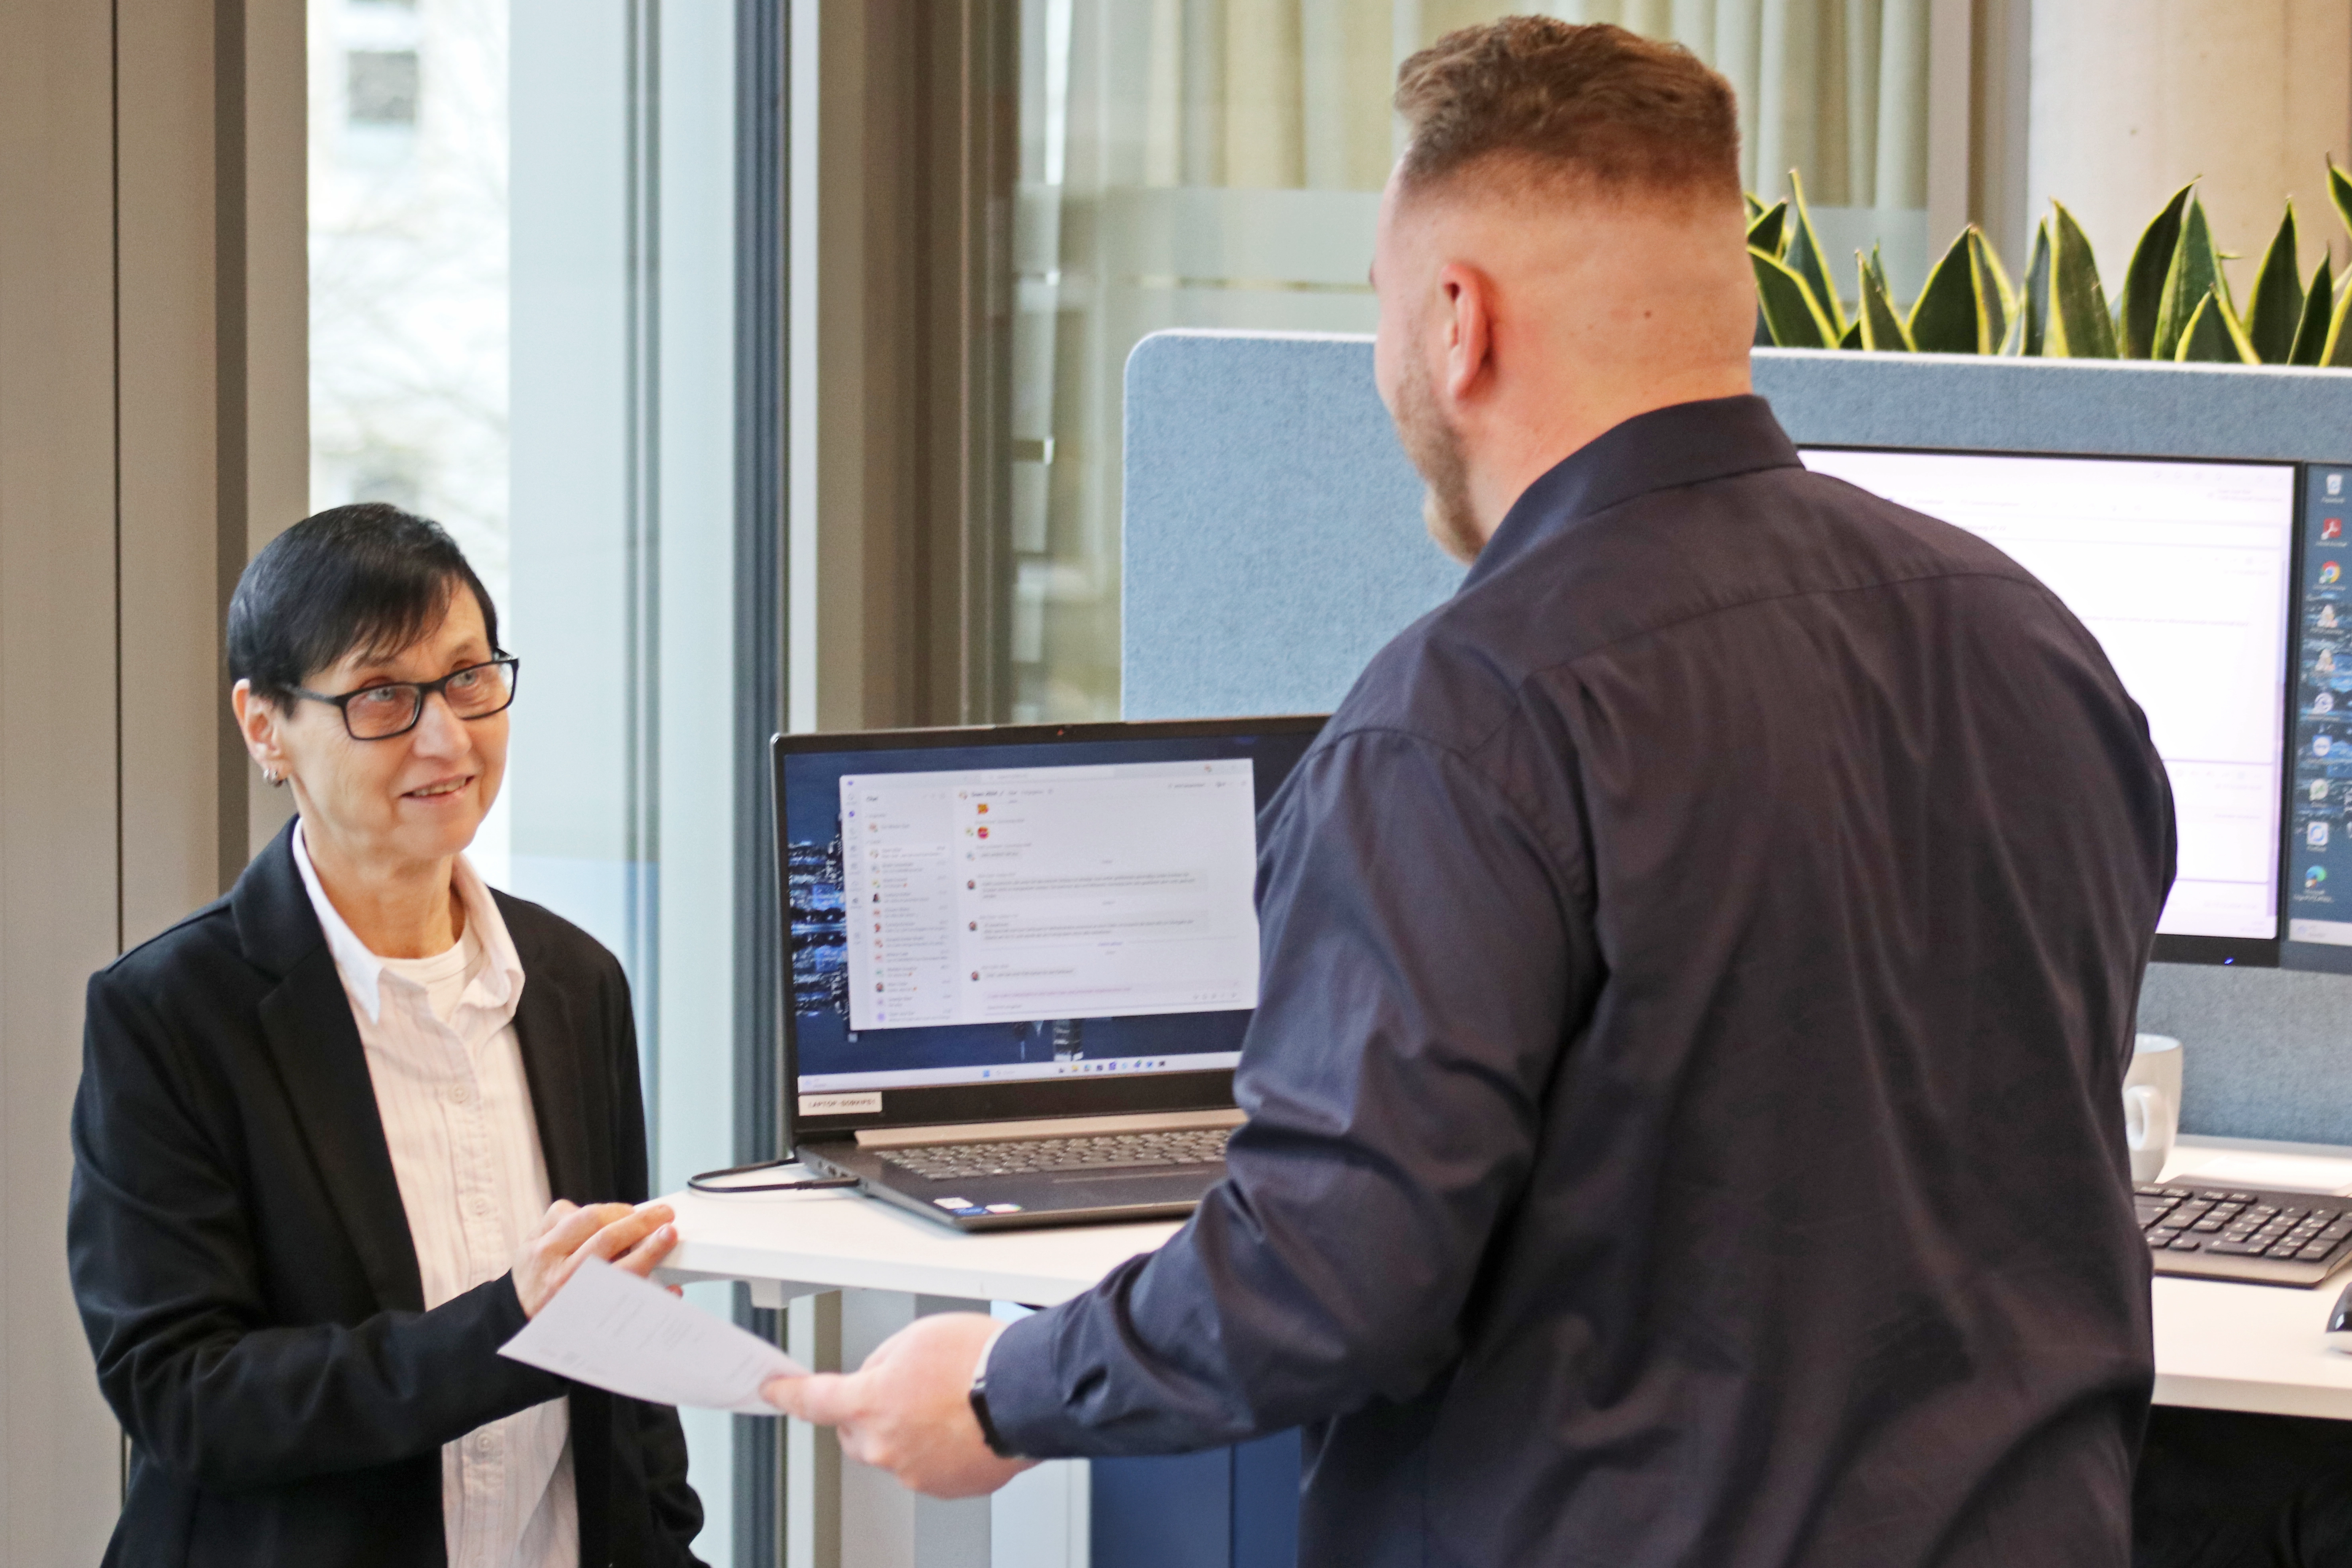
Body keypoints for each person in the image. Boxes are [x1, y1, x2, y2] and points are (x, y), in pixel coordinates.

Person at [768, 18, 2179, 1568]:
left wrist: (998, 1388)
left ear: (1459, 322)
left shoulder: (1468, 722)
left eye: (1378, 307)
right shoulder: (2031, 641)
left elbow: (1326, 1277)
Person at [69, 505, 705, 1567]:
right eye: (381, 696)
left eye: (467, 678)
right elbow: (185, 1396)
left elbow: (621, 1366)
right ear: (265, 726)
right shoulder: (170, 1013)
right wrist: (510, 1323)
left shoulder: (574, 980)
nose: (446, 736)